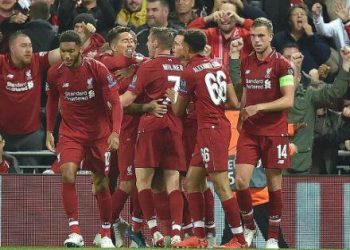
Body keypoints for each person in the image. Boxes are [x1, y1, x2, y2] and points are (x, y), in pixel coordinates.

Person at [169, 29, 245, 248]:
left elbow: (177, 111)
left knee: (221, 185)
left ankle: (239, 240)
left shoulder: (189, 72)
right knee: (191, 182)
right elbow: (233, 102)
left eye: (180, 44)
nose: (179, 47)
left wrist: (173, 97)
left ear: (188, 48)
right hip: (217, 126)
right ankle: (199, 237)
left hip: (210, 130)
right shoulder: (218, 65)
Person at [45, 30, 122, 248]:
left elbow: (116, 103)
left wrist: (115, 132)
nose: (66, 56)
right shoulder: (54, 73)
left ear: (81, 49)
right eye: (63, 51)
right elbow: (52, 101)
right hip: (70, 132)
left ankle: (106, 232)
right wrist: (49, 130)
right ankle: (75, 232)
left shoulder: (97, 69)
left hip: (99, 134)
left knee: (100, 182)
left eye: (71, 51)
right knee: (68, 173)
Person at [100, 26, 167, 247]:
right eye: (125, 41)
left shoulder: (138, 64)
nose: (131, 44)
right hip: (125, 130)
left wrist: (136, 68)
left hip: (145, 129)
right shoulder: (107, 63)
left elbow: (153, 61)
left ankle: (135, 231)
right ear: (113, 46)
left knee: (142, 183)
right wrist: (137, 67)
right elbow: (118, 105)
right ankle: (106, 229)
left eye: (133, 40)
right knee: (128, 183)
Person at [119, 27, 185, 247]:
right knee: (173, 182)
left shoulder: (150, 66)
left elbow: (126, 100)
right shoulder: (182, 65)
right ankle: (176, 234)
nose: (146, 44)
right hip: (175, 126)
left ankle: (155, 233)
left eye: (148, 40)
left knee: (143, 182)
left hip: (152, 126)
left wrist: (106, 102)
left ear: (155, 43)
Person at [234, 17, 295, 249]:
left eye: (261, 36)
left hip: (274, 132)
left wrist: (259, 107)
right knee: (240, 182)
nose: (257, 40)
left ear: (270, 37)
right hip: (250, 131)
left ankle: (271, 236)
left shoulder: (282, 65)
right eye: (253, 36)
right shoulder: (246, 61)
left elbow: (288, 100)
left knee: (273, 185)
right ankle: (249, 227)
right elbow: (247, 93)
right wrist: (242, 114)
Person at [283, 43, 350, 175]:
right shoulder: (268, 92)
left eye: (296, 58)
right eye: (288, 58)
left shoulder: (308, 95)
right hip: (272, 165)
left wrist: (346, 64)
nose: (292, 62)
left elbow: (335, 92)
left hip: (299, 167)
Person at [0, 31, 60, 167]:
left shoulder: (37, 61)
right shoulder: (2, 62)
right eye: (23, 46)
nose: (28, 50)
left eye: (30, 46)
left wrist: (82, 38)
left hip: (31, 135)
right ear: (12, 48)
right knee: (4, 177)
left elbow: (63, 52)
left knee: (30, 179)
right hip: (4, 136)